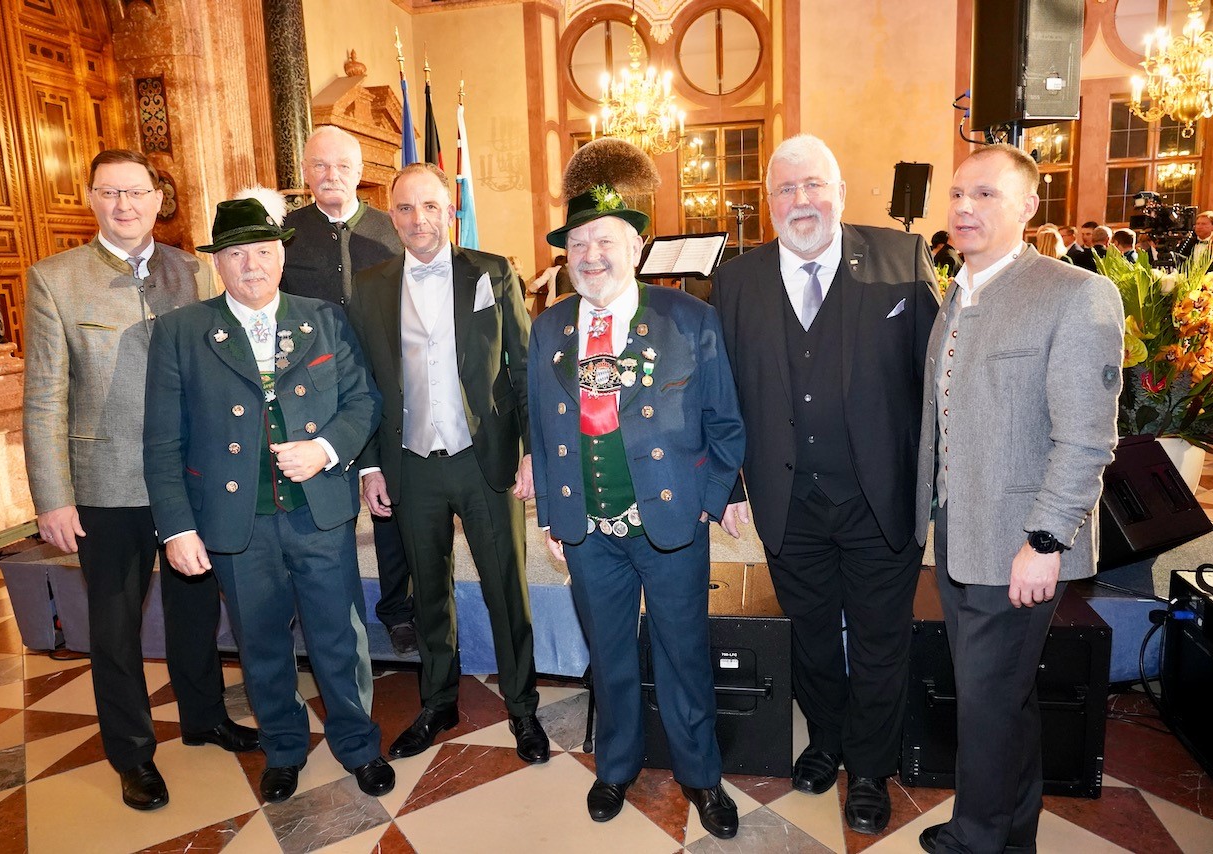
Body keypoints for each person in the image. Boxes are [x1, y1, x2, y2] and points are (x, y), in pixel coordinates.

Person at [711, 134, 940, 835]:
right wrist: (728, 487)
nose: (801, 200)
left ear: (839, 193)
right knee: (810, 637)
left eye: (814, 185)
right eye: (786, 189)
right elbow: (720, 396)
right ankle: (826, 739)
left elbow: (938, 380)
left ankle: (869, 767)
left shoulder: (902, 259)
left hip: (882, 499)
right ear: (768, 202)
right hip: (788, 501)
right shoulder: (737, 281)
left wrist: (940, 479)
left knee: (879, 640)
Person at [22, 149, 257, 812]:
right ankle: (131, 754)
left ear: (158, 199)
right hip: (108, 484)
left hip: (190, 478)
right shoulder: (54, 280)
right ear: (90, 199)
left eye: (136, 193)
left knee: (196, 608)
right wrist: (53, 497)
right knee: (115, 625)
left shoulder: (193, 270)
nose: (124, 205)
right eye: (110, 193)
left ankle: (205, 717)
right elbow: (44, 397)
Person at [142, 195, 393, 805]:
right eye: (236, 254)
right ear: (217, 264)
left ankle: (357, 744)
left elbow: (363, 400)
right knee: (260, 643)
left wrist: (326, 449)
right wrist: (177, 528)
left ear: (281, 256)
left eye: (262, 251)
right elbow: (162, 440)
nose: (251, 264)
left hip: (319, 514)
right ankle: (282, 748)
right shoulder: (180, 332)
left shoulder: (324, 319)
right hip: (237, 523)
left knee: (338, 637)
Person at [530, 138, 746, 839]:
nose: (590, 256)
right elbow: (543, 429)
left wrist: (711, 498)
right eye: (578, 244)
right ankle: (615, 766)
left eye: (605, 241)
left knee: (683, 653)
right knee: (611, 657)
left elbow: (725, 421)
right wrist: (551, 514)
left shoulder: (688, 319)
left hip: (670, 524)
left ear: (637, 247)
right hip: (588, 530)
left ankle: (701, 776)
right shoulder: (549, 329)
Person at [914, 144, 1123, 853]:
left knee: (987, 704)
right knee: (1002, 698)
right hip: (961, 534)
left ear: (1029, 206)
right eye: (957, 194)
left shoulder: (1073, 293)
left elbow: (1087, 439)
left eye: (986, 194)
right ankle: (1010, 837)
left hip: (1019, 543)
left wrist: (1046, 541)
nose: (964, 208)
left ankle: (978, 840)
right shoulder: (959, 290)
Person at [347, 163, 549, 765]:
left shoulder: (493, 272)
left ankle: (522, 706)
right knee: (428, 593)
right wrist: (370, 466)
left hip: (484, 459)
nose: (419, 220)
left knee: (505, 588)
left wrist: (534, 452)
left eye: (430, 206)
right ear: (392, 216)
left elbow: (523, 368)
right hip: (410, 464)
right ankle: (437, 703)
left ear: (450, 210)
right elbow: (364, 385)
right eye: (406, 208)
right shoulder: (370, 286)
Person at [279, 126, 415, 657]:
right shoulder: (284, 233)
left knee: (389, 501)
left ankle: (398, 609)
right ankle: (322, 610)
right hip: (310, 391)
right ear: (305, 172)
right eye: (319, 165)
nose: (330, 175)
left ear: (361, 173)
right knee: (319, 509)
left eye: (341, 166)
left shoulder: (391, 228)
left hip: (386, 383)